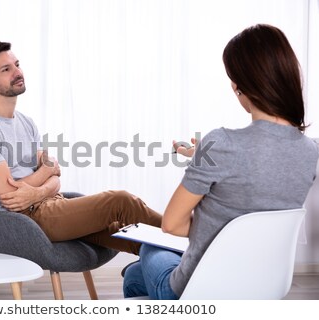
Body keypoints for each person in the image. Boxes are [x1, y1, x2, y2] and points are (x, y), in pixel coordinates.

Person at [123, 24, 319, 299]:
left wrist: (208, 158)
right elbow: (263, 167)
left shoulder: (221, 144)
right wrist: (202, 157)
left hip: (200, 290)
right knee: (136, 274)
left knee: (147, 253)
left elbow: (172, 225)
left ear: (239, 85)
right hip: (262, 286)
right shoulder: (310, 150)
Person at [0, 41, 162, 255]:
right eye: (6, 69)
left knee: (132, 236)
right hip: (25, 220)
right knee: (120, 201)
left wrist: (42, 184)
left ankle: (183, 264)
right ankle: (194, 236)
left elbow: (55, 174)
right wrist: (46, 174)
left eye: (17, 64)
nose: (18, 72)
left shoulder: (25, 122)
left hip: (51, 204)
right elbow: (11, 197)